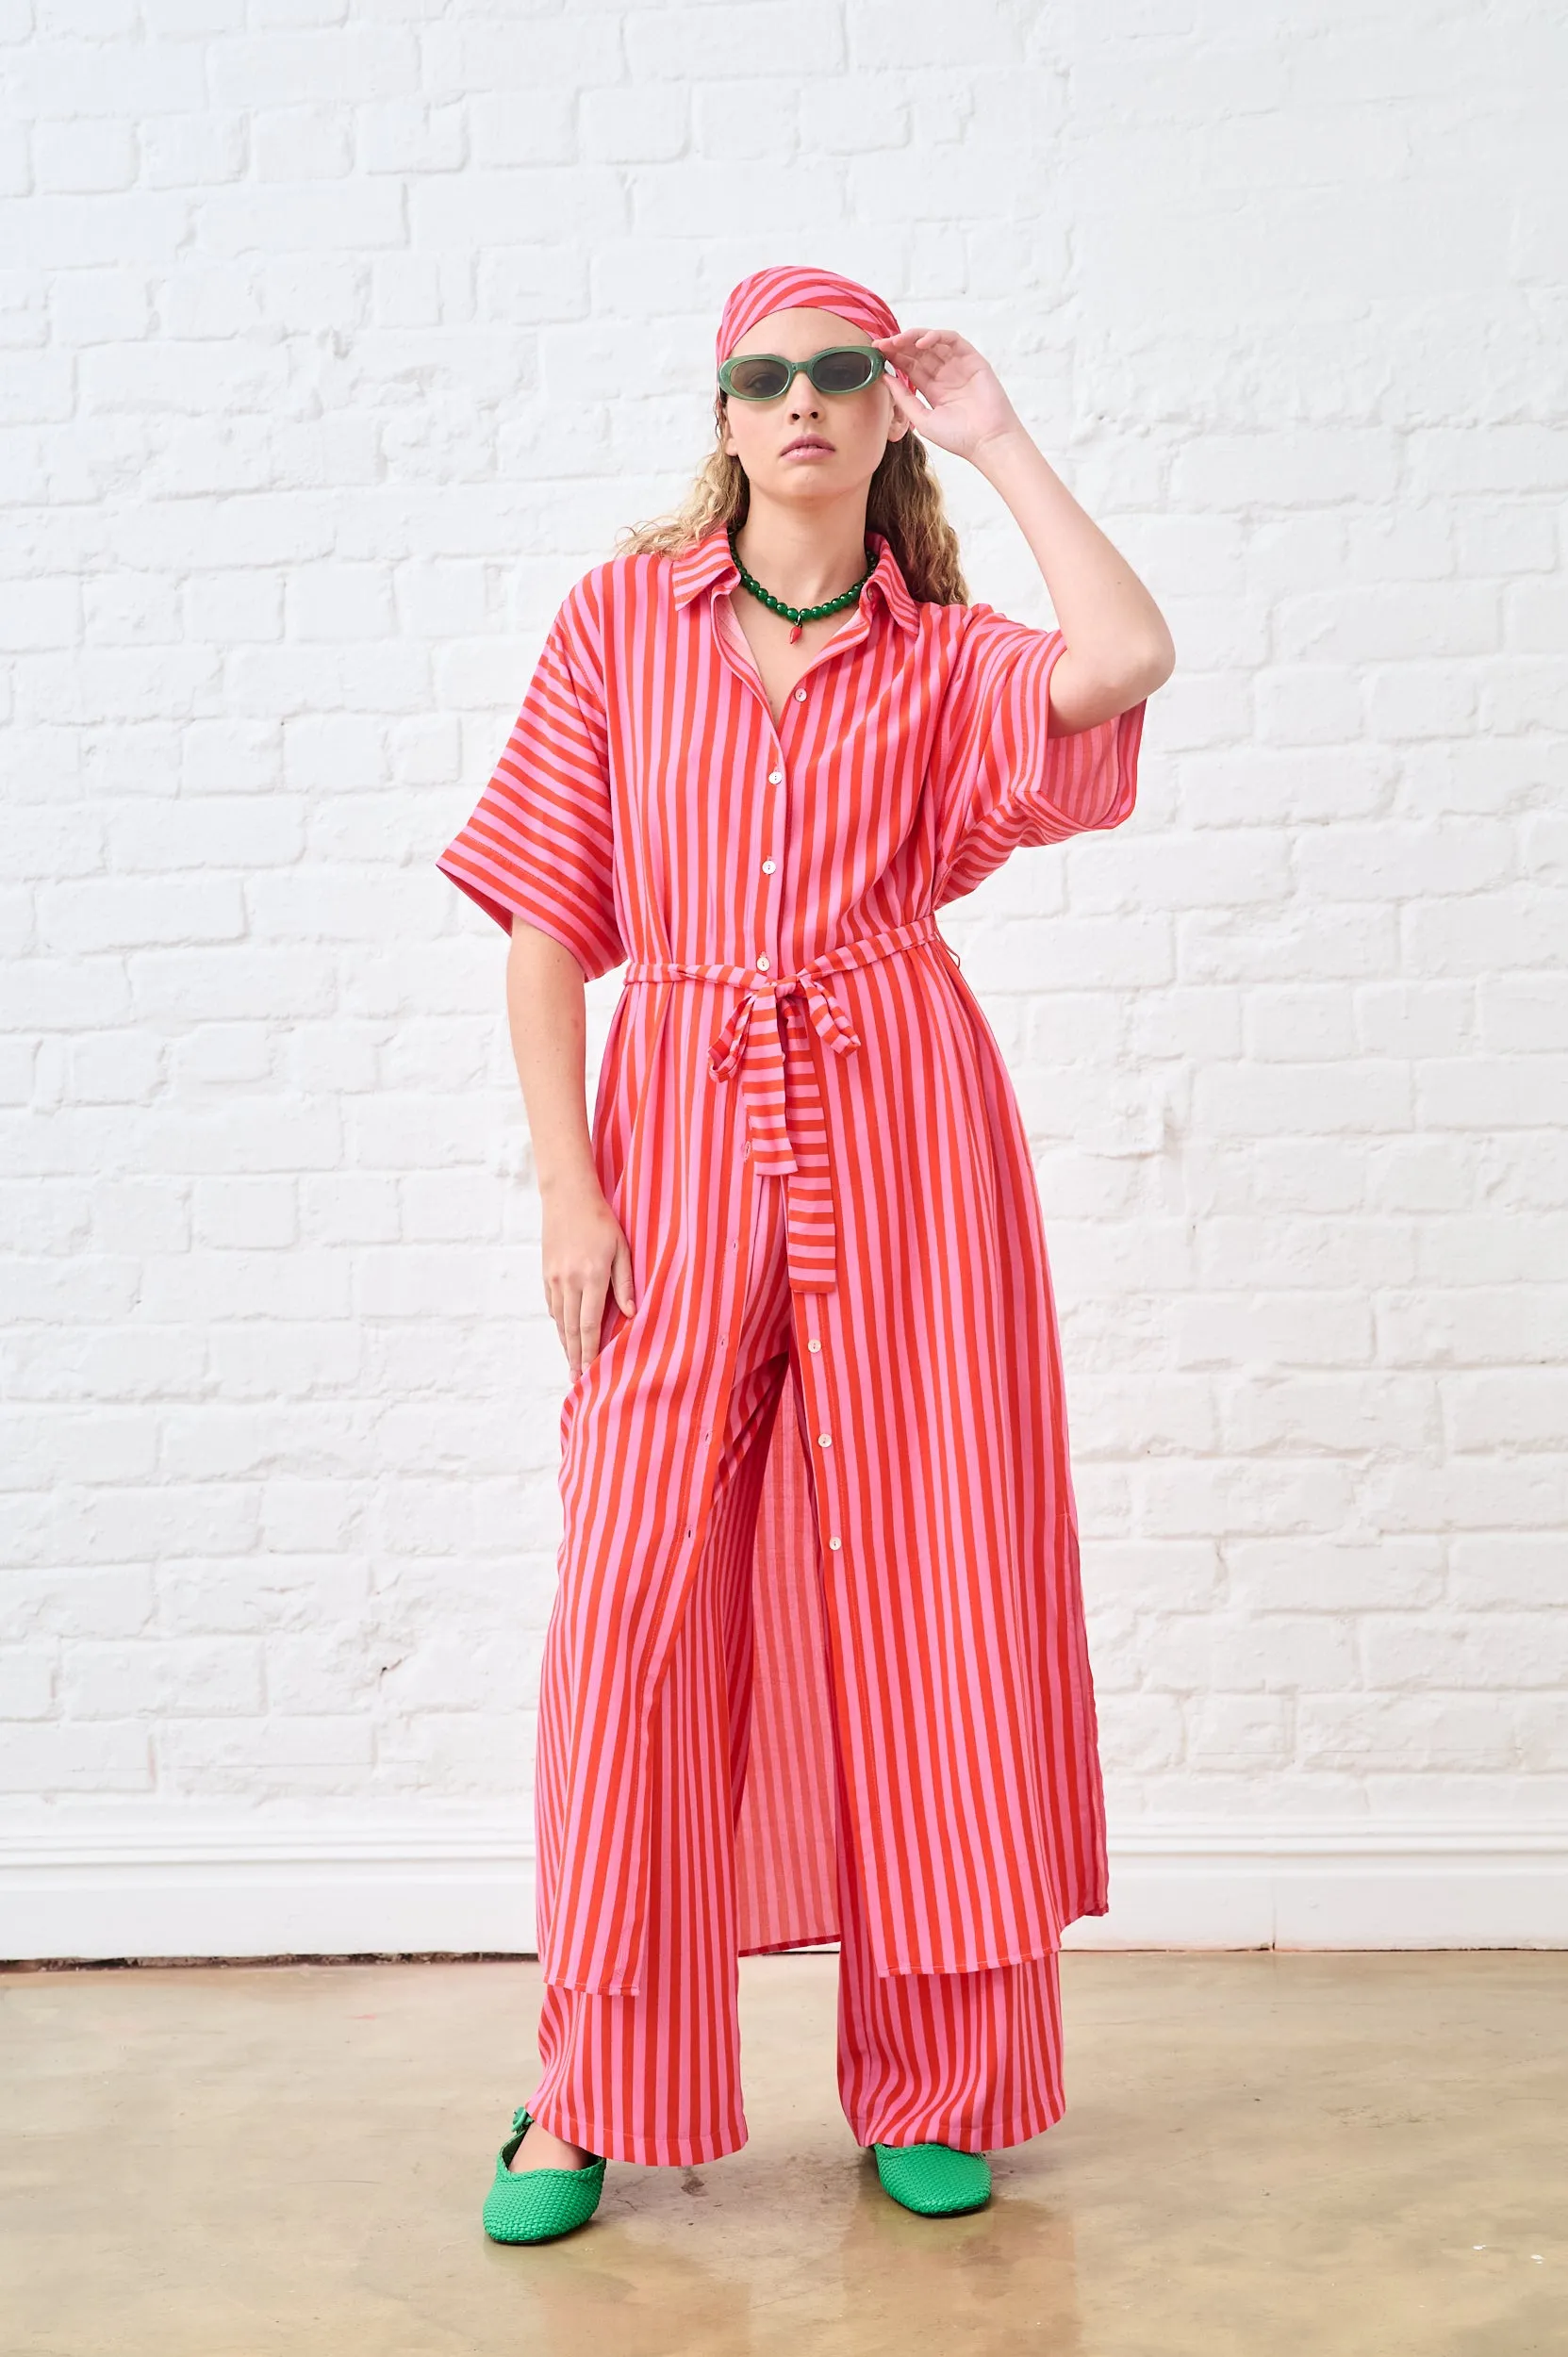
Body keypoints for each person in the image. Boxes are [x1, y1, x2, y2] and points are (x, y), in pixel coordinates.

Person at [436, 263, 1174, 2241]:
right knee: (631, 1605)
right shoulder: (618, 626)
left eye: (841, 374)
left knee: (933, 1591)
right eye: (765, 377)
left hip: (904, 1123)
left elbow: (1124, 657)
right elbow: (538, 921)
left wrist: (998, 429)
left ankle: (938, 2074)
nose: (802, 404)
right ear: (726, 411)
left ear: (880, 408)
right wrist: (569, 1187)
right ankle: (586, 2090)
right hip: (671, 1131)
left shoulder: (941, 666)